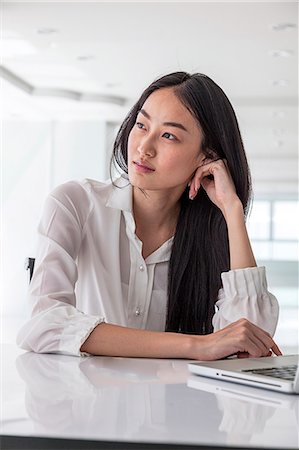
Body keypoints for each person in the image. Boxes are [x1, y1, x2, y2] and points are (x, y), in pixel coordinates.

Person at [17, 71, 281, 359]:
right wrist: (196, 345)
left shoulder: (208, 237)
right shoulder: (74, 204)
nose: (144, 147)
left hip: (175, 404)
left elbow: (247, 342)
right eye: (142, 125)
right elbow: (45, 323)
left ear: (206, 157)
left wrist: (232, 211)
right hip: (84, 402)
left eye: (169, 135)